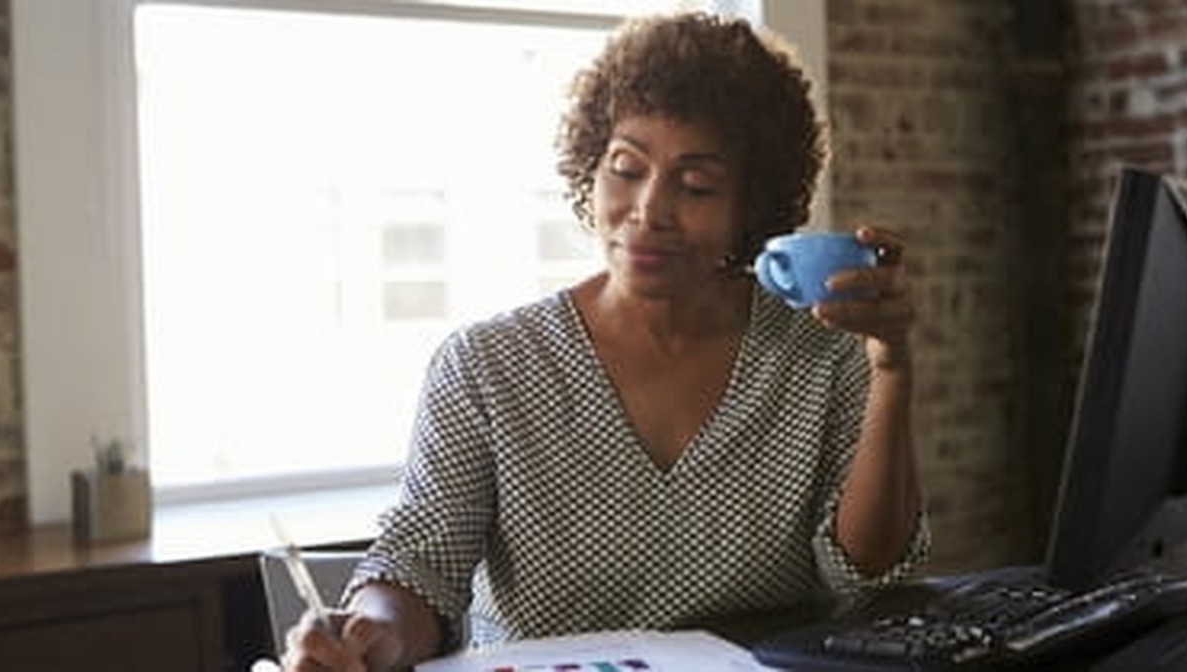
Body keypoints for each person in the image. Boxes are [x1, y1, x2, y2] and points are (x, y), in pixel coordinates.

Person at [286, 11, 928, 671]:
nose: (650, 209)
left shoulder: (820, 353)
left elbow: (867, 568)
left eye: (697, 184)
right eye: (626, 168)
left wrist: (894, 367)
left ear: (751, 203)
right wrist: (368, 635)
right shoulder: (487, 366)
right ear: (589, 171)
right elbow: (417, 565)